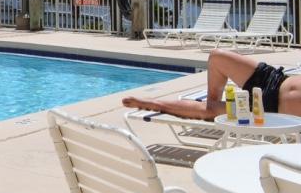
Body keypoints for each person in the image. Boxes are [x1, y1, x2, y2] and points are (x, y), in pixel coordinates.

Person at [122, 49, 301, 119]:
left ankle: (153, 104)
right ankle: (211, 104)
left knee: (210, 110)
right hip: (274, 80)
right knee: (217, 57)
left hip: (268, 111)